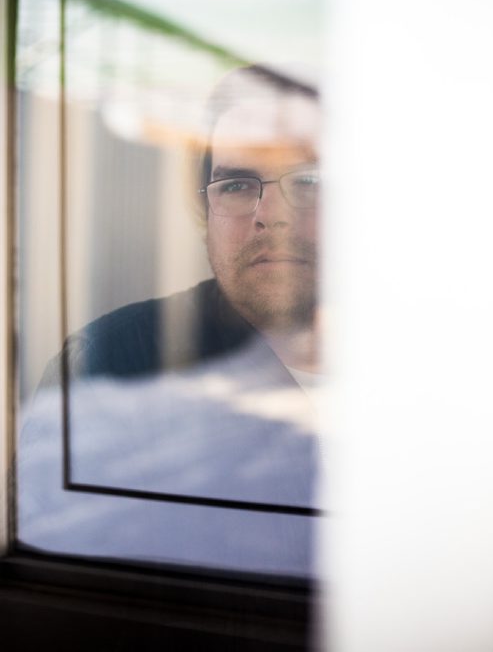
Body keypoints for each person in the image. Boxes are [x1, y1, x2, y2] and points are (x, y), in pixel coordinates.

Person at [17, 65, 323, 576]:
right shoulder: (112, 363)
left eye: (309, 179)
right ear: (205, 211)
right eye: (237, 183)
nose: (272, 213)